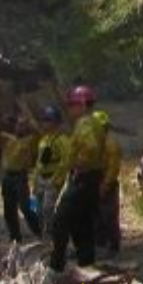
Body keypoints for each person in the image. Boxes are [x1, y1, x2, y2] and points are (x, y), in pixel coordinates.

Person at [50, 86, 109, 271]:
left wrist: (79, 166)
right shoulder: (95, 123)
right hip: (93, 179)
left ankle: (56, 265)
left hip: (84, 179)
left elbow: (90, 148)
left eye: (72, 105)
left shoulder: (84, 124)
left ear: (82, 104)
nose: (70, 109)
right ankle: (86, 264)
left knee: (60, 220)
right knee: (82, 224)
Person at [0, 111, 42, 242]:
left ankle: (39, 231)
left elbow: (40, 134)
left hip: (20, 177)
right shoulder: (6, 138)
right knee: (8, 208)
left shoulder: (30, 140)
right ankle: (15, 236)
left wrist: (31, 123)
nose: (20, 127)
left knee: (26, 206)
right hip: (7, 176)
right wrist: (2, 121)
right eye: (18, 124)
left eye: (23, 125)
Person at [32, 105, 67, 238]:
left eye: (49, 120)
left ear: (56, 122)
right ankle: (41, 234)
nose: (45, 123)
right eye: (44, 120)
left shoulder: (62, 141)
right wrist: (34, 181)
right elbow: (39, 162)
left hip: (53, 179)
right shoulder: (43, 140)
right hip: (41, 179)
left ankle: (53, 233)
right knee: (37, 209)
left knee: (48, 208)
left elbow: (65, 161)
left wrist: (57, 179)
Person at [95, 108, 124, 257]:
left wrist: (105, 184)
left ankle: (113, 246)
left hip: (107, 183)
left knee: (109, 215)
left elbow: (113, 167)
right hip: (94, 182)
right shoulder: (93, 145)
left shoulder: (111, 145)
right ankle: (99, 243)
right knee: (95, 215)